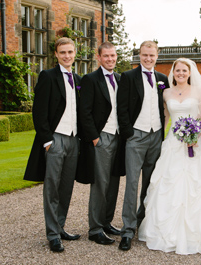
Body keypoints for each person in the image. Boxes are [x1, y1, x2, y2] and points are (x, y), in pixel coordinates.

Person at [137, 58, 201, 255]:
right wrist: (162, 138)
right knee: (168, 184)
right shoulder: (166, 93)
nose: (181, 73)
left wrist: (195, 136)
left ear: (190, 72)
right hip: (173, 144)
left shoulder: (199, 91)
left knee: (200, 186)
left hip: (195, 143)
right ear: (173, 73)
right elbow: (165, 116)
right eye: (178, 71)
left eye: (184, 70)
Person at [24, 37, 82, 252]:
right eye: (63, 52)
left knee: (66, 187)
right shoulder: (47, 76)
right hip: (55, 138)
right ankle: (52, 234)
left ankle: (60, 226)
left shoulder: (77, 78)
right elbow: (38, 112)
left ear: (74, 53)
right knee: (52, 188)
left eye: (70, 52)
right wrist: (48, 141)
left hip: (74, 140)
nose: (67, 56)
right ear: (56, 54)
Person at [116, 40, 170, 251]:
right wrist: (129, 134)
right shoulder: (128, 77)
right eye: (144, 55)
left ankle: (143, 223)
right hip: (135, 137)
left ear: (157, 56)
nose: (148, 58)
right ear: (140, 55)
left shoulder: (162, 79)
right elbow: (121, 108)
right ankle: (127, 230)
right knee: (131, 184)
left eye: (152, 55)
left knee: (150, 182)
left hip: (156, 136)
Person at [77, 42, 124, 245]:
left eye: (113, 56)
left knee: (114, 181)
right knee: (100, 183)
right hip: (101, 137)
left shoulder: (121, 79)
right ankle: (95, 229)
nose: (110, 59)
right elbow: (84, 111)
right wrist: (95, 137)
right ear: (99, 57)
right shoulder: (90, 79)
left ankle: (106, 222)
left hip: (118, 136)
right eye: (106, 56)